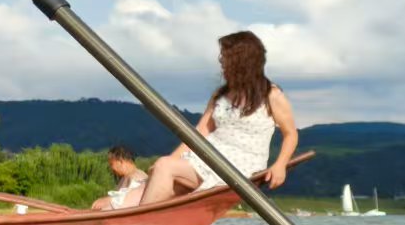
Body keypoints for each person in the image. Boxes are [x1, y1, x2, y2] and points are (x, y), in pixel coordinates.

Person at [141, 31, 298, 202]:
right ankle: (143, 215)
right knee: (159, 170)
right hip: (208, 158)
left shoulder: (271, 95)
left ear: (241, 60)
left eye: (225, 56)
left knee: (164, 169)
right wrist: (174, 157)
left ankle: (144, 215)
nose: (221, 61)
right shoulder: (221, 94)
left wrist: (280, 164)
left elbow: (290, 134)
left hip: (240, 167)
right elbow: (201, 131)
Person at [90, 144, 147, 211]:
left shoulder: (139, 178)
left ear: (120, 161)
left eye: (111, 164)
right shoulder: (125, 177)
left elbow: (131, 200)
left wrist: (107, 201)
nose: (111, 168)